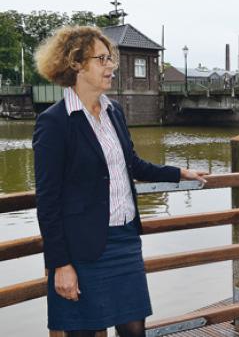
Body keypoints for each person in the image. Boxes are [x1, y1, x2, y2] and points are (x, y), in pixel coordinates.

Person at [33, 26, 207, 337]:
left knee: (134, 330)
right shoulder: (54, 123)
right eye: (102, 59)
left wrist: (179, 173)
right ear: (76, 64)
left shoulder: (114, 112)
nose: (111, 65)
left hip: (125, 240)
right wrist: (61, 264)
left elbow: (132, 164)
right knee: (84, 332)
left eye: (110, 58)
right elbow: (48, 201)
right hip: (82, 249)